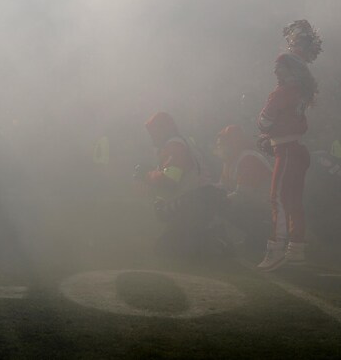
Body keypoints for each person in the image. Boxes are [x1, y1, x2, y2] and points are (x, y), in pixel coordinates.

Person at [256, 20, 320, 271]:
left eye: (279, 67)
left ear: (289, 69)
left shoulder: (282, 92)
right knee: (293, 201)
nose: (275, 71)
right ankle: (296, 249)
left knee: (278, 199)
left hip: (286, 151)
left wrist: (266, 132)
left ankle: (276, 248)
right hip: (297, 149)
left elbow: (264, 121)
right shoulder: (300, 91)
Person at [137, 111, 226, 259]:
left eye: (153, 132)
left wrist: (147, 176)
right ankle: (206, 236)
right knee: (168, 244)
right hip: (198, 197)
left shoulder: (174, 146)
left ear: (162, 130)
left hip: (196, 199)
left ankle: (211, 238)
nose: (151, 137)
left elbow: (169, 180)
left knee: (167, 250)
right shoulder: (177, 142)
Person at [215, 124, 272, 252]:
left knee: (223, 206)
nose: (219, 147)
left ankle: (263, 234)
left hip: (267, 210)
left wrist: (217, 201)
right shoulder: (231, 160)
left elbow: (243, 195)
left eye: (222, 144)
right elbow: (222, 186)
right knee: (220, 203)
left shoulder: (248, 159)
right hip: (256, 206)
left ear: (232, 144)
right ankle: (255, 237)